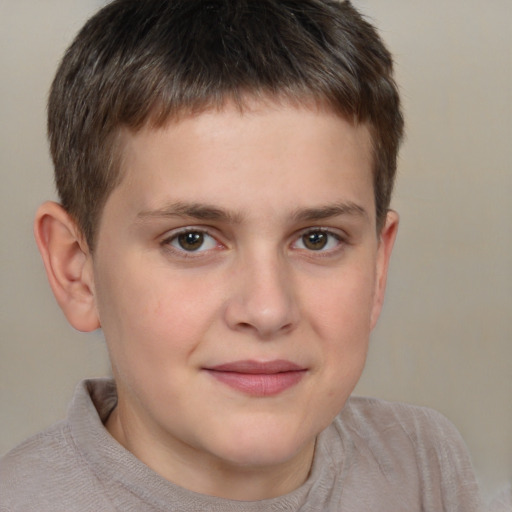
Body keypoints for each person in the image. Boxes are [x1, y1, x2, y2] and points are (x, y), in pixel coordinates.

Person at [0, 0, 482, 510]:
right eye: (191, 240)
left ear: (378, 269)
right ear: (77, 270)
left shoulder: (423, 464)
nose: (268, 310)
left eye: (317, 238)